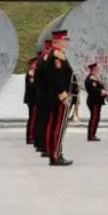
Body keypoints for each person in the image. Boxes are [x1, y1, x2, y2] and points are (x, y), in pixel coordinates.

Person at [44, 30, 74, 166]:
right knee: (58, 126)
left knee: (56, 125)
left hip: (55, 96)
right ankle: (55, 155)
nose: (67, 41)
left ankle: (55, 153)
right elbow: (56, 78)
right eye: (65, 39)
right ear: (58, 41)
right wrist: (63, 95)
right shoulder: (56, 56)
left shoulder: (59, 55)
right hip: (58, 97)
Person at [34, 41, 52, 156]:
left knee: (41, 121)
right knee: (46, 122)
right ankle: (45, 146)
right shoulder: (46, 60)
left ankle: (40, 144)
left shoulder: (40, 60)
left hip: (40, 94)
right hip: (46, 95)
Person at [84, 62, 107, 141]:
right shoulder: (90, 79)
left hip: (97, 101)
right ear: (92, 70)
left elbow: (100, 87)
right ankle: (90, 136)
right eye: (96, 69)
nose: (97, 70)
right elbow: (93, 90)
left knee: (96, 118)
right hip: (93, 101)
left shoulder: (95, 78)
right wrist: (101, 92)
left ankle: (93, 134)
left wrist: (104, 92)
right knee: (94, 118)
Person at [24, 57, 38, 145]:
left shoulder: (35, 74)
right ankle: (30, 136)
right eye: (35, 64)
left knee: (35, 118)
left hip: (35, 99)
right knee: (32, 118)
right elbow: (32, 87)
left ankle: (34, 135)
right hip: (32, 99)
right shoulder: (31, 74)